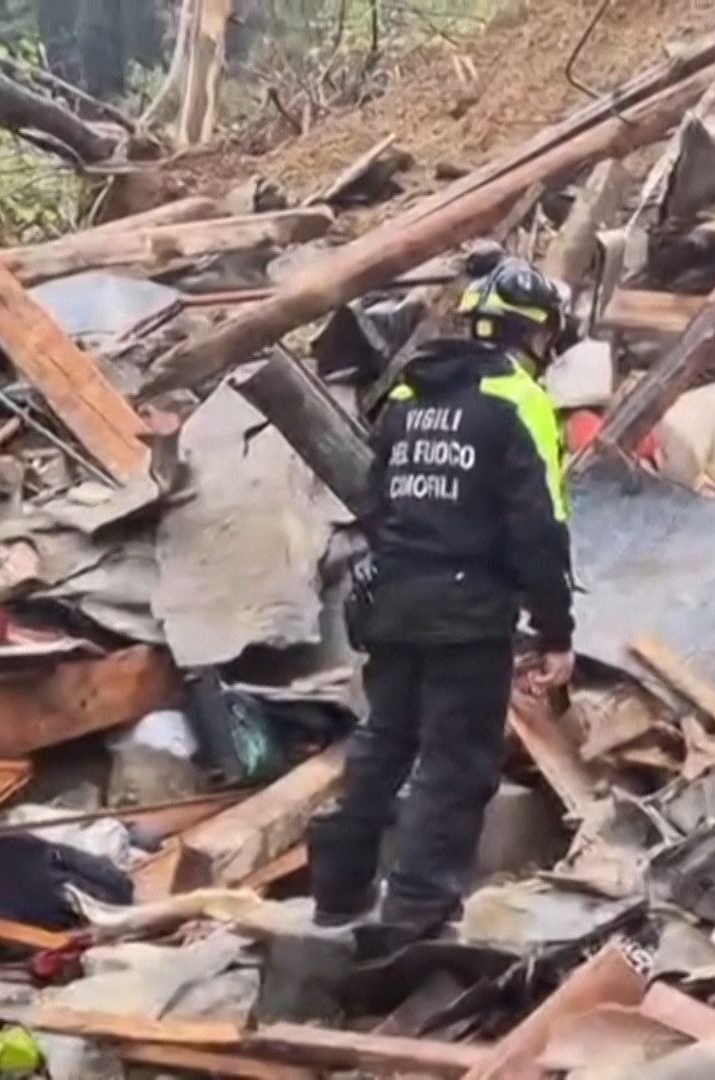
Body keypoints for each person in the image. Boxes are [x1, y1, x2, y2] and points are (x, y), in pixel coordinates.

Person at [307, 247, 577, 936]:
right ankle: (416, 919)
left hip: (392, 600)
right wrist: (556, 631)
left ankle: (336, 893)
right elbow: (540, 526)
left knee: (383, 742)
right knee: (455, 763)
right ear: (534, 332)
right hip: (466, 613)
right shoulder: (519, 400)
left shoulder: (409, 396)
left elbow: (375, 500)